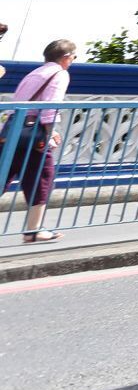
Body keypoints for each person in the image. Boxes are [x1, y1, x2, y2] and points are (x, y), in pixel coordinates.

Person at [9, 40, 77, 243]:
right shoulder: (60, 74)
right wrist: (49, 134)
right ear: (66, 57)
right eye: (74, 57)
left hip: (13, 129)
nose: (73, 61)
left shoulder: (35, 73)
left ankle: (33, 231)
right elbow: (50, 106)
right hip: (34, 133)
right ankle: (33, 231)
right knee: (42, 177)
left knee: (4, 174)